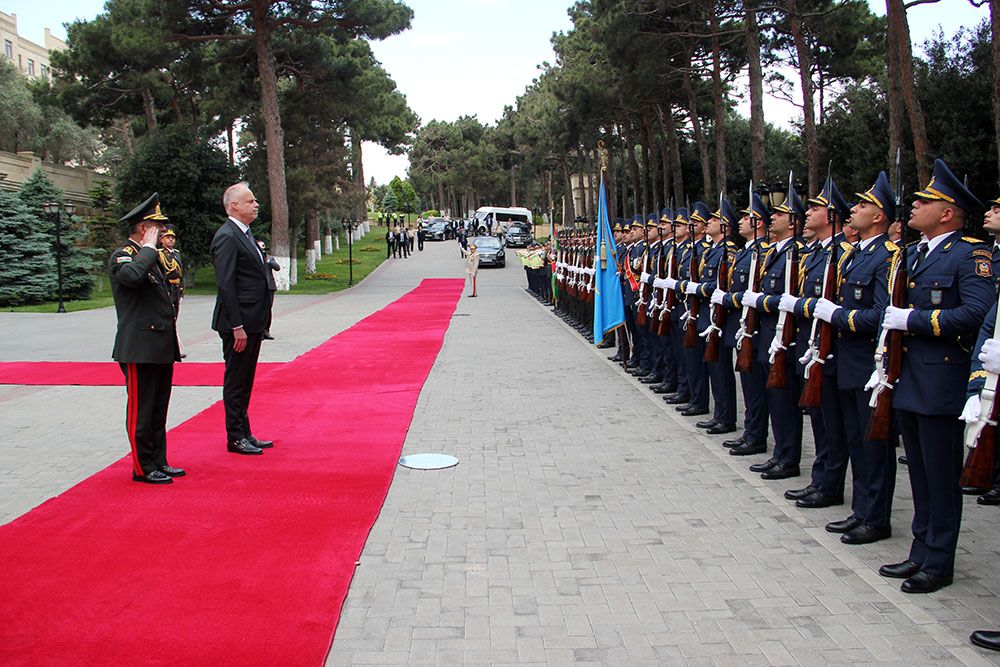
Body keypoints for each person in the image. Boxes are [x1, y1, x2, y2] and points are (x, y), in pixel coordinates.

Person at [876, 159, 993, 594]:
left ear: (947, 212)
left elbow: (978, 312)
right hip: (908, 377)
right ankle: (920, 550)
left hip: (942, 379)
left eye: (925, 201)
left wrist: (915, 320)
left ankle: (939, 562)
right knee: (920, 474)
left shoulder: (970, 253)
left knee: (942, 477)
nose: (914, 205)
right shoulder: (914, 254)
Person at [109, 193, 184, 484]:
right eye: (158, 227)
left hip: (160, 345)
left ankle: (158, 460)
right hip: (138, 347)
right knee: (141, 410)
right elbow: (131, 278)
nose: (164, 232)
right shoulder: (124, 255)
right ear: (144, 228)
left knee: (157, 409)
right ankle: (142, 466)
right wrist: (150, 247)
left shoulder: (150, 255)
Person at [211, 182, 275, 456]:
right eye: (250, 201)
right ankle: (235, 437)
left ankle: (245, 431)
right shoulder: (227, 236)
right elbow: (225, 284)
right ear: (233, 206)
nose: (256, 204)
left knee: (246, 379)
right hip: (238, 324)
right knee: (236, 380)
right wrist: (237, 325)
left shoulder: (246, 234)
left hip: (253, 321)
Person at [257, 239, 280, 340]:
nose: (262, 249)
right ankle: (259, 331)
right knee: (258, 310)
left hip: (269, 286)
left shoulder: (270, 258)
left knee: (268, 309)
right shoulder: (254, 257)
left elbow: (277, 267)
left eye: (263, 247)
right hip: (258, 287)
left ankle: (266, 330)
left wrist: (268, 261)